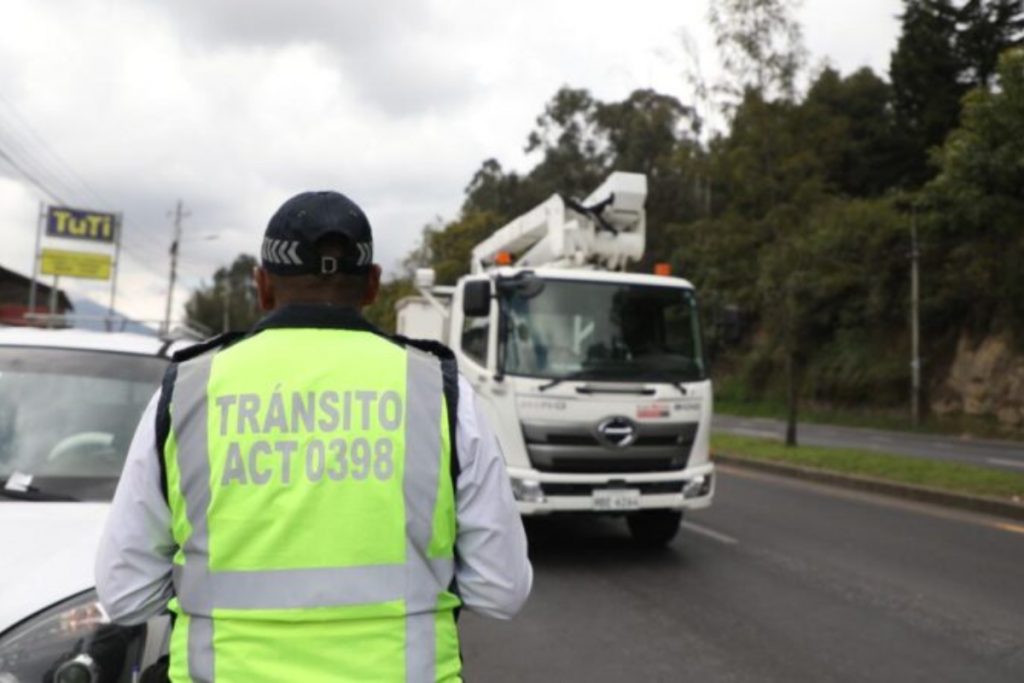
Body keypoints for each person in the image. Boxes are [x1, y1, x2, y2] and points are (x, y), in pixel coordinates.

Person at [95, 190, 533, 682]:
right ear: (372, 285)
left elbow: (125, 595)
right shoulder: (442, 393)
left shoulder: (188, 391)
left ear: (261, 285)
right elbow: (501, 590)